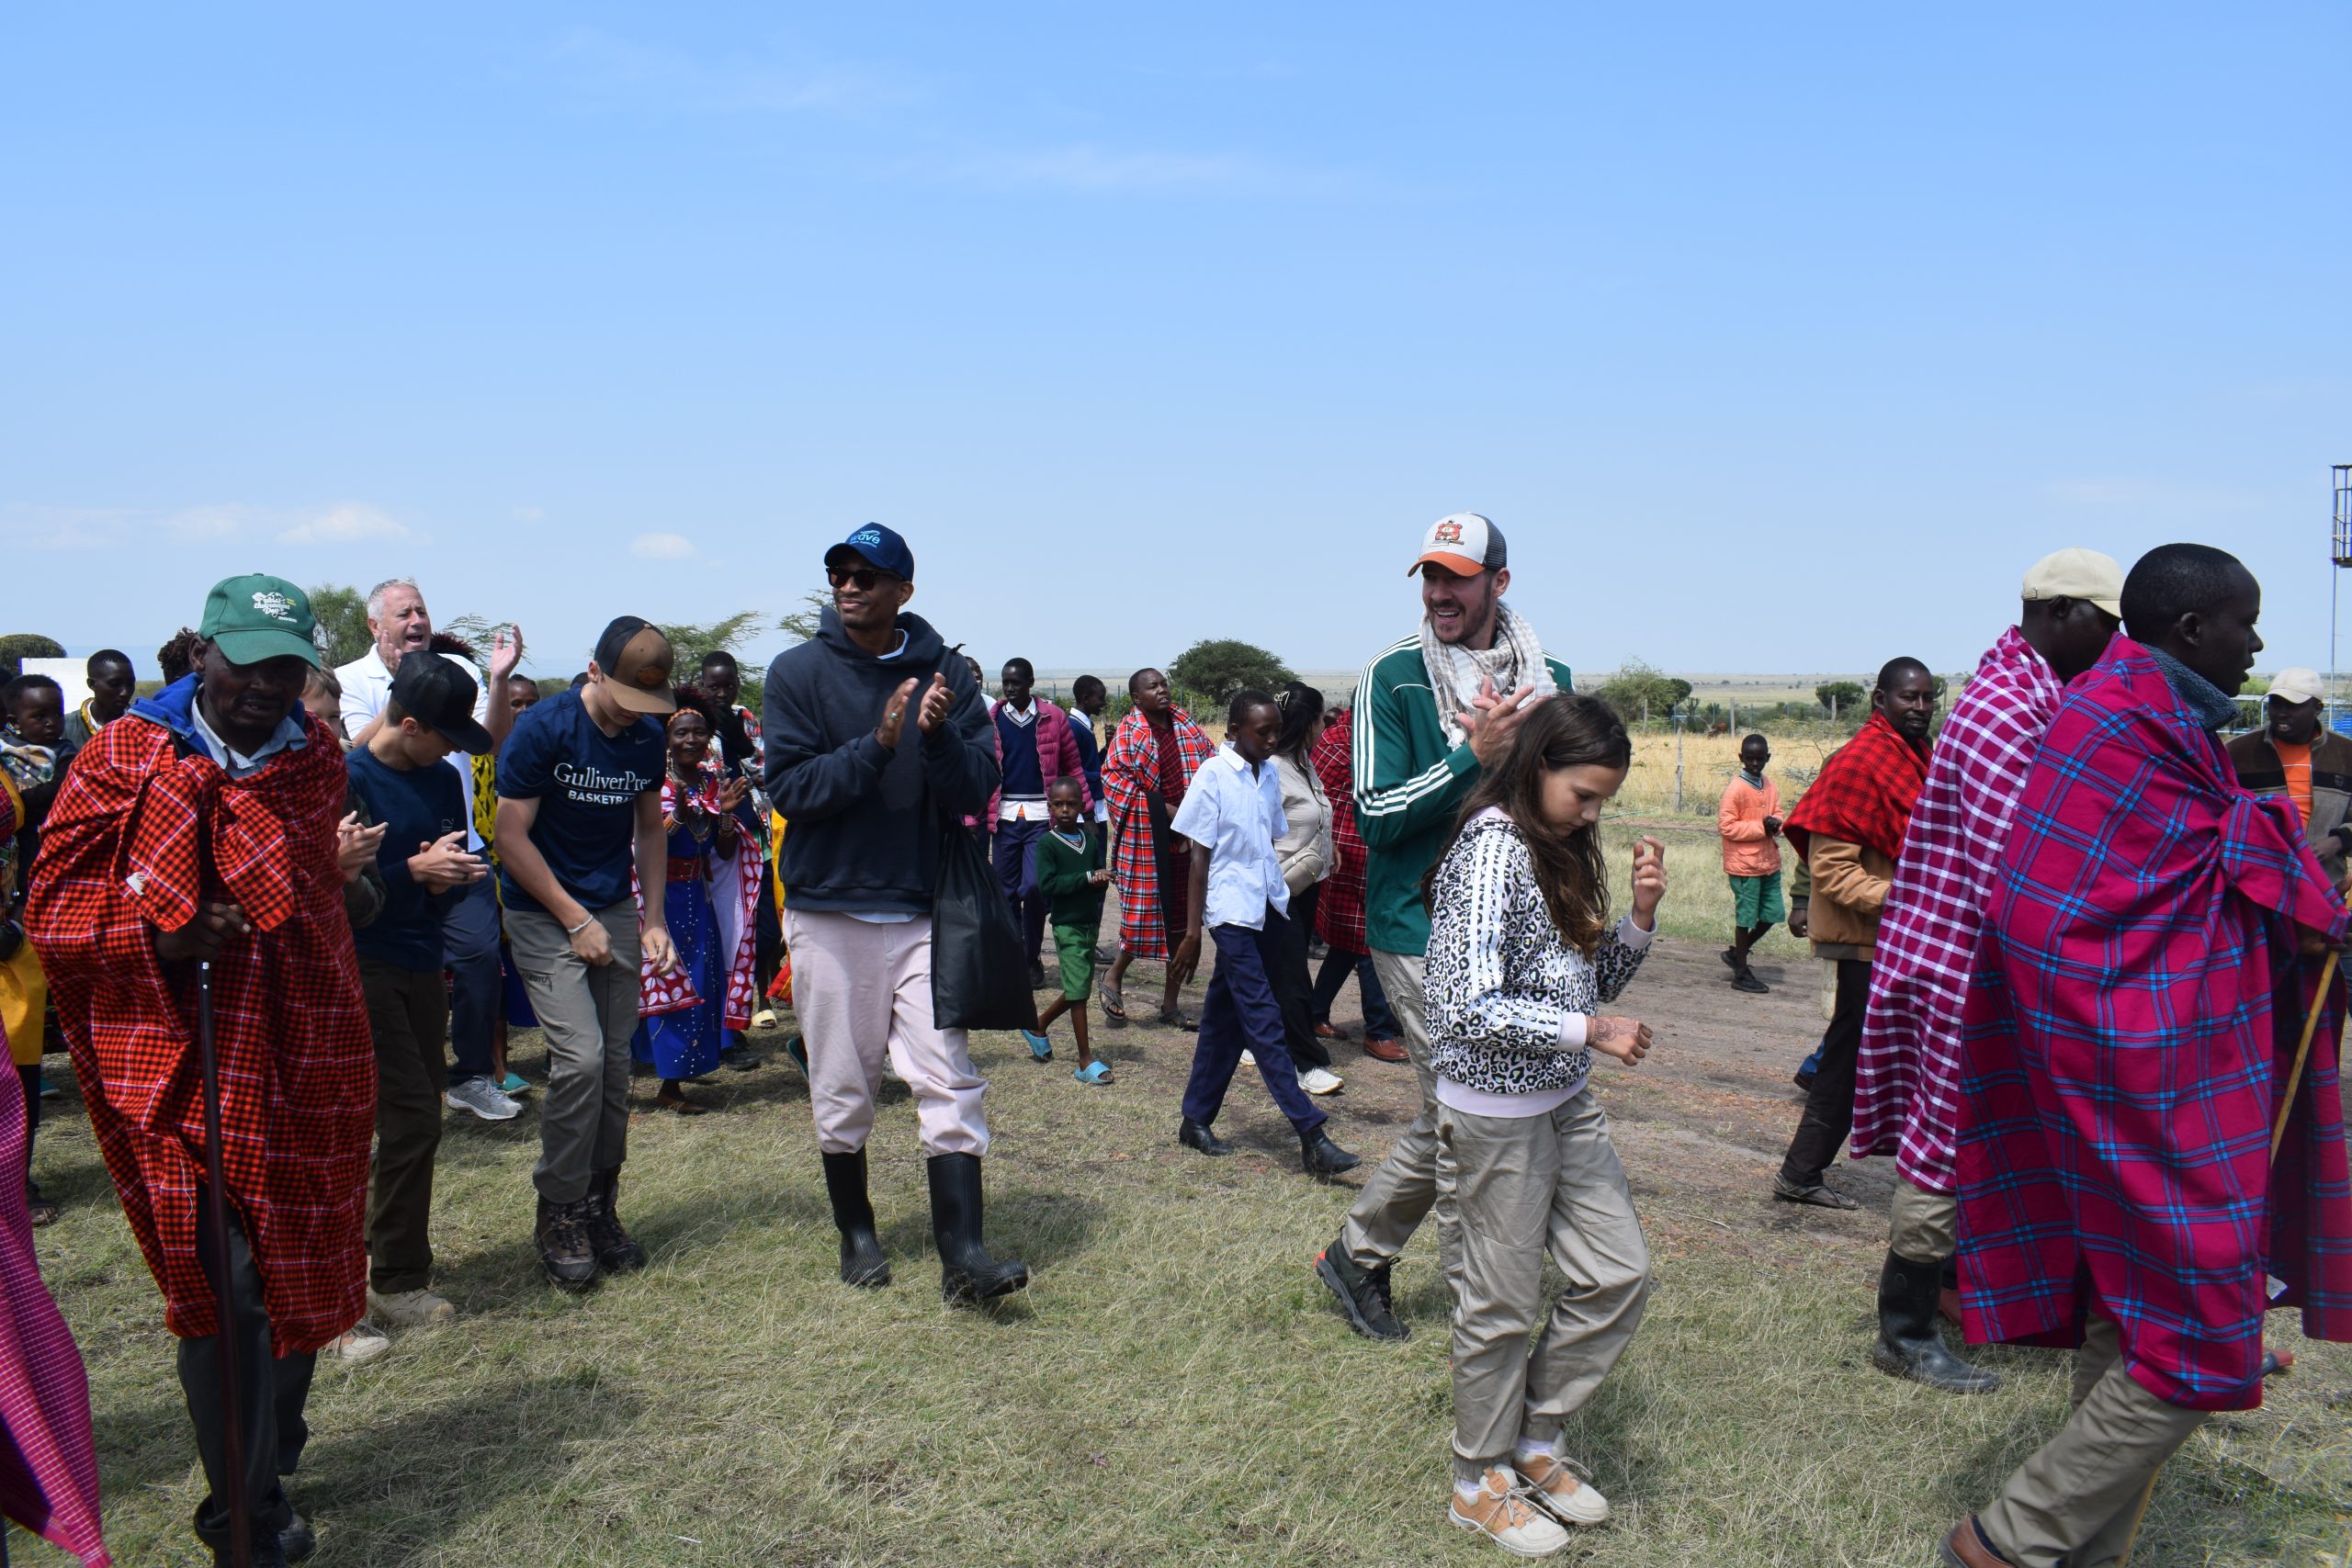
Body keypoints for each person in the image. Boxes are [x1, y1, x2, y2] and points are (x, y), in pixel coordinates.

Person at [1939, 544, 2350, 1568]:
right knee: (2208, 1332)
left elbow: (2195, 863)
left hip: (2157, 1061)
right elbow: (2047, 917)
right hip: (2127, 1069)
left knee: (2130, 1317)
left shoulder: (2165, 720)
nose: (2257, 645)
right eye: (2245, 624)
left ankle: (2084, 1555)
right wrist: (2266, 860)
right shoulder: (2115, 725)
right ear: (2191, 630)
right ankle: (2008, 1539)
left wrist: (2257, 856)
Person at [28, 575, 375, 1566]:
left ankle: (268, 1449)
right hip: (172, 1050)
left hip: (300, 1031)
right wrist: (165, 937)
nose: (265, 685)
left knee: (298, 1247)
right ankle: (243, 1511)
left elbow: (305, 891)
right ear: (201, 653)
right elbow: (55, 912)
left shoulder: (316, 764)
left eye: (286, 667)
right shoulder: (124, 756)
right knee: (225, 1285)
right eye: (246, 662)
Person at [1849, 548, 2121, 1397]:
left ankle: (1987, 1299)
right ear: (2065, 613)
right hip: (1961, 966)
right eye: (2108, 627)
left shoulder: (2031, 693)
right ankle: (1905, 1329)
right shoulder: (2007, 708)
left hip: (1985, 959)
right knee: (1943, 1138)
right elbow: (2023, 860)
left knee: (1993, 1133)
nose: (2115, 647)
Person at [1318, 513, 1572, 1344]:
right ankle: (1482, 1318)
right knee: (1471, 1116)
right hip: (1418, 928)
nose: (1438, 594)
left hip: (1517, 934)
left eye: (1455, 577)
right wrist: (1473, 754)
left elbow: (1565, 811)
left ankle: (1358, 1253)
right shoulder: (1391, 680)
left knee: (1463, 1114)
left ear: (1498, 582)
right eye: (1428, 577)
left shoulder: (1551, 680)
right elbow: (1376, 815)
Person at [1424, 693, 1663, 1557]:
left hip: (1565, 1100)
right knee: (1500, 1304)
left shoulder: (1550, 847)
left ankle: (1534, 1437)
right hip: (1496, 1117)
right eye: (1584, 795)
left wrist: (1637, 918)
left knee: (1618, 1273)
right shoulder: (1492, 849)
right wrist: (1590, 1032)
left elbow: (1581, 991)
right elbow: (1464, 1005)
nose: (1593, 814)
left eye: (1604, 799)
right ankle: (1477, 1480)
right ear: (1538, 768)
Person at [763, 523, 1026, 1304]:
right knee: (844, 1087)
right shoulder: (797, 672)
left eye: (868, 575)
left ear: (903, 590)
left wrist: (937, 738)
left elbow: (978, 787)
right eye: (840, 573)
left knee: (949, 1076)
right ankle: (857, 1231)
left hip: (920, 913)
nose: (850, 585)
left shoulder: (946, 671)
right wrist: (876, 745)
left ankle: (965, 1255)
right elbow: (792, 790)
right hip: (830, 909)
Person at [494, 616, 678, 1289]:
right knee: (581, 1056)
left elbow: (651, 829)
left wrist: (653, 918)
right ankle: (560, 1208)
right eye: (627, 696)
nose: (637, 715)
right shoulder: (545, 728)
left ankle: (601, 1206)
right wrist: (575, 919)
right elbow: (509, 834)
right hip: (544, 908)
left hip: (613, 907)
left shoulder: (646, 738)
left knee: (617, 1063)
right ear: (595, 671)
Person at [334, 580, 526, 1125]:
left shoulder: (444, 771)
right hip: (377, 935)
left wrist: (493, 680)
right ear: (376, 625)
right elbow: (362, 750)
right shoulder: (352, 697)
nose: (417, 619)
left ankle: (470, 1076)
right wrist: (407, 691)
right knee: (405, 1100)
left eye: (422, 609)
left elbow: (484, 738)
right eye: (404, 612)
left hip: (445, 876)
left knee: (477, 960)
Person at [343, 654, 493, 1331]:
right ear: (408, 723)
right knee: (408, 1116)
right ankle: (387, 1279)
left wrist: (442, 880)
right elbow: (340, 901)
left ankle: (385, 1266)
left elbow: (435, 874)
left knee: (415, 1116)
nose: (454, 749)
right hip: (361, 967)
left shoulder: (439, 778)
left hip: (423, 962)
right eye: (447, 735)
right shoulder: (346, 780)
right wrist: (413, 869)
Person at [1170, 691, 1361, 1178]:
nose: (1273, 738)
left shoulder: (1269, 773)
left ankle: (1195, 1121)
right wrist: (1193, 932)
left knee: (1224, 1018)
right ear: (1233, 729)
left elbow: (1271, 839)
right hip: (1231, 913)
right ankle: (1311, 1133)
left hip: (1270, 903)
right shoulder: (1212, 775)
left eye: (1277, 730)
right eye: (1263, 731)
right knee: (1262, 1017)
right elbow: (1198, 858)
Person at [1770, 656, 1936, 1210]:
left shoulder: (1911, 757)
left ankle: (1807, 1170)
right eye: (1908, 697)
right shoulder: (1862, 762)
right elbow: (1833, 871)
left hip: (1894, 934)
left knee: (1859, 1054)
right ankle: (1800, 1173)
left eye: (1927, 697)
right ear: (1880, 702)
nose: (1919, 707)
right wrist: (1913, 899)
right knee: (1847, 1058)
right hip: (1868, 936)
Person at [631, 686, 760, 1115]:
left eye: (699, 733)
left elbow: (723, 852)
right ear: (668, 738)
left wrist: (723, 815)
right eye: (682, 732)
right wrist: (678, 817)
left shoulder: (712, 782)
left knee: (698, 984)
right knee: (664, 982)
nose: (691, 740)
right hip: (655, 898)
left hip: (696, 897)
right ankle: (662, 1081)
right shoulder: (654, 781)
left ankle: (676, 1079)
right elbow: (645, 842)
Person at [1101, 669, 1218, 1028]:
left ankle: (1170, 1004)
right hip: (1147, 841)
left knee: (1184, 924)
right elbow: (1114, 780)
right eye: (1152, 687)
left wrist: (1192, 814)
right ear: (1137, 698)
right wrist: (1166, 811)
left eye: (1164, 684)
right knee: (1141, 918)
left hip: (1188, 840)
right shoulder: (1129, 732)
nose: (1162, 690)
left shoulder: (1186, 726)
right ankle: (1112, 976)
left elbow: (1211, 763)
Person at [1306, 704, 1403, 1060]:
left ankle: (1315, 1013)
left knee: (1347, 946)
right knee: (1367, 945)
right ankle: (1377, 1031)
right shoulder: (1355, 743)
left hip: (1354, 849)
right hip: (1350, 852)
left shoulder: (1342, 738)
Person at [989, 659, 1090, 989]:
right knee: (1004, 894)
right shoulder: (991, 719)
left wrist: (1085, 810)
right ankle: (1012, 960)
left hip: (1040, 819)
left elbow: (1072, 765)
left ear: (1031, 682)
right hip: (1005, 818)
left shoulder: (1053, 717)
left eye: (1016, 682)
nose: (1009, 688)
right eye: (1005, 682)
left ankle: (1031, 957)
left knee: (1034, 889)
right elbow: (983, 766)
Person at [698, 649, 780, 1047]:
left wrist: (742, 748)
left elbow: (766, 770)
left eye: (729, 684)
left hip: (754, 834)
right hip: (709, 841)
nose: (722, 692)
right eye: (714, 685)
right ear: (701, 684)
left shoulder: (744, 719)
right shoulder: (691, 722)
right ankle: (728, 1031)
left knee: (762, 931)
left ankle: (746, 1007)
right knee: (721, 934)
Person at [1270, 682, 1343, 1095]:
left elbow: (1316, 813)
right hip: (1280, 886)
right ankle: (1305, 1062)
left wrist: (1327, 848)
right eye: (1320, 720)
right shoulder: (1272, 770)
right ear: (1311, 722)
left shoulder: (1304, 763)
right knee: (1293, 974)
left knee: (1272, 970)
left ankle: (1252, 1040)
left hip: (1307, 881)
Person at [1023, 777, 1114, 1085]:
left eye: (1071, 804)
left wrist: (1101, 878)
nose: (1065, 810)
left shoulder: (1090, 838)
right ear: (1050, 807)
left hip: (1090, 923)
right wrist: (1088, 877)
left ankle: (1038, 1024)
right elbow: (1047, 885)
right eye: (1058, 804)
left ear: (1082, 805)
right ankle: (1085, 1060)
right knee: (1079, 993)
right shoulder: (1047, 843)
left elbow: (1096, 873)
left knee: (1078, 989)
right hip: (1066, 925)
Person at [2228, 666, 2351, 884]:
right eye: (2275, 703)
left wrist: (2337, 842)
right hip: (2259, 885)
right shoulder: (2239, 751)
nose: (2281, 712)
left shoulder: (2345, 753)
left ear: (2317, 708)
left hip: (2325, 883)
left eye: (2293, 705)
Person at [1716, 734, 1784, 994]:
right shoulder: (1736, 789)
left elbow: (1778, 813)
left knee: (1772, 914)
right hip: (1745, 866)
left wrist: (1775, 824)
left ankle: (1737, 954)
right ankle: (1741, 972)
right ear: (1741, 758)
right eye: (1750, 759)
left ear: (1767, 758)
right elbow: (1726, 826)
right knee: (1745, 919)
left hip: (1768, 862)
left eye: (1760, 759)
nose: (1755, 763)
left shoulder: (1769, 785)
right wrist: (1761, 827)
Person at [62, 649, 135, 750]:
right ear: (92, 684)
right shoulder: (64, 728)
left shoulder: (142, 729)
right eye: (114, 684)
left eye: (130, 684)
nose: (125, 693)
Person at [1068, 674, 1109, 824]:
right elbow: (1071, 771)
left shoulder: (1084, 725)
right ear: (1085, 699)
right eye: (1100, 698)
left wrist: (1107, 747)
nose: (1103, 703)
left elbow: (1090, 762)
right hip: (1084, 807)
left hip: (1094, 800)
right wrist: (1100, 777)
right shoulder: (1073, 727)